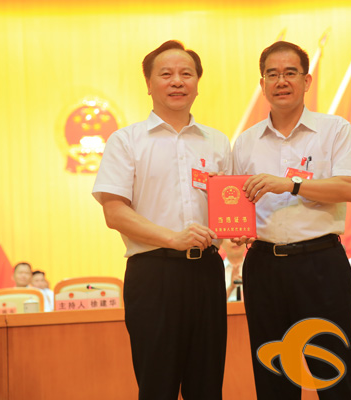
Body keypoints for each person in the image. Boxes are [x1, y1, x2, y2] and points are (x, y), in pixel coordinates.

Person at [92, 40, 231, 399]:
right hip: (153, 274)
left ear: (197, 83)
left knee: (207, 386)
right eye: (166, 74)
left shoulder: (217, 143)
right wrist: (173, 239)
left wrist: (240, 228)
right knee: (157, 386)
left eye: (186, 74)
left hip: (207, 273)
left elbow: (229, 207)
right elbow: (114, 212)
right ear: (149, 83)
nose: (177, 81)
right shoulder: (126, 141)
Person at [232, 41, 351, 399]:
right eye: (272, 74)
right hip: (263, 265)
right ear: (262, 84)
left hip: (320, 263)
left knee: (333, 373)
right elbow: (235, 200)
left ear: (307, 80)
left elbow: (350, 188)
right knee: (273, 376)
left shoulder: (334, 130)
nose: (281, 81)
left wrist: (291, 185)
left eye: (290, 73)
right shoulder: (245, 142)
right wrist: (234, 229)